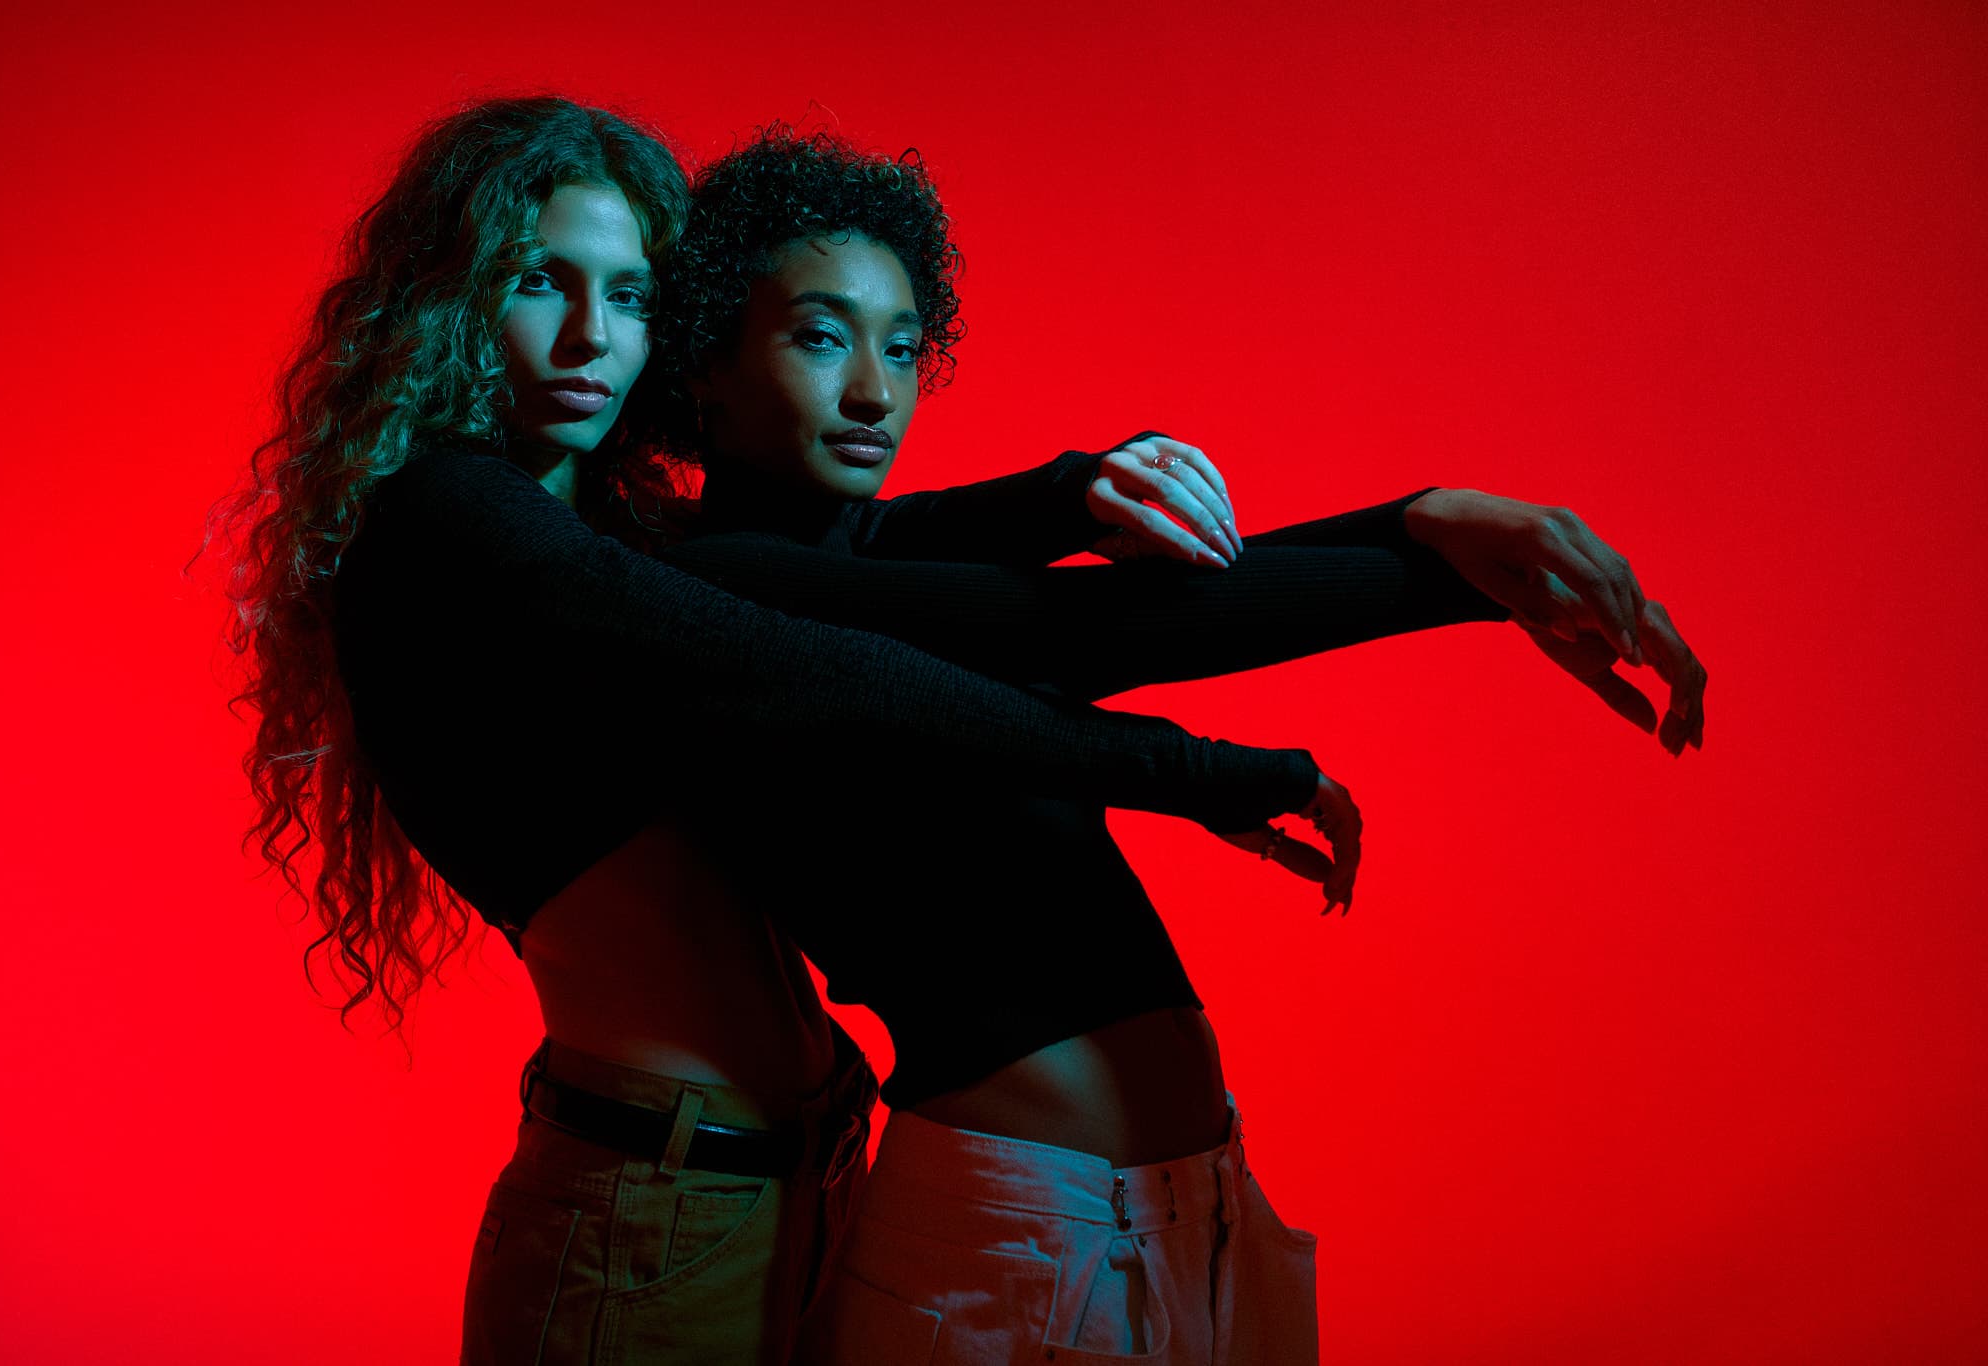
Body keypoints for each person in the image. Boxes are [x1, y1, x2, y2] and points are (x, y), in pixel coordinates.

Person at [218, 96, 1387, 1365]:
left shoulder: (613, 537)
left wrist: (1072, 487)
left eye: (629, 298)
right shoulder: (453, 518)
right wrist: (1184, 769)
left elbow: (888, 555)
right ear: (447, 298)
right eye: (535, 282)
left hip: (787, 1175)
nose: (588, 340)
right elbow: (822, 668)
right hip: (643, 1201)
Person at [635, 127, 1708, 1363]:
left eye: (899, 343)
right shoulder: (711, 588)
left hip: (1193, 1220)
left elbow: (1127, 578)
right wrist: (1449, 563)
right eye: (821, 337)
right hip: (1006, 1249)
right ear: (704, 363)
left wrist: (1425, 527)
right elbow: (1080, 630)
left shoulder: (869, 549)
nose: (876, 392)